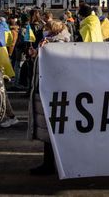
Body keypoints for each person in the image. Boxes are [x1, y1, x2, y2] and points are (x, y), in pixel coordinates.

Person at [28, 20, 70, 175]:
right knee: (51, 132)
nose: (43, 31)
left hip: (51, 92)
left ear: (53, 31)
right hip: (50, 91)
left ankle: (49, 165)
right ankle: (51, 163)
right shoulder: (49, 44)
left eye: (46, 29)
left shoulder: (55, 46)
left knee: (51, 132)